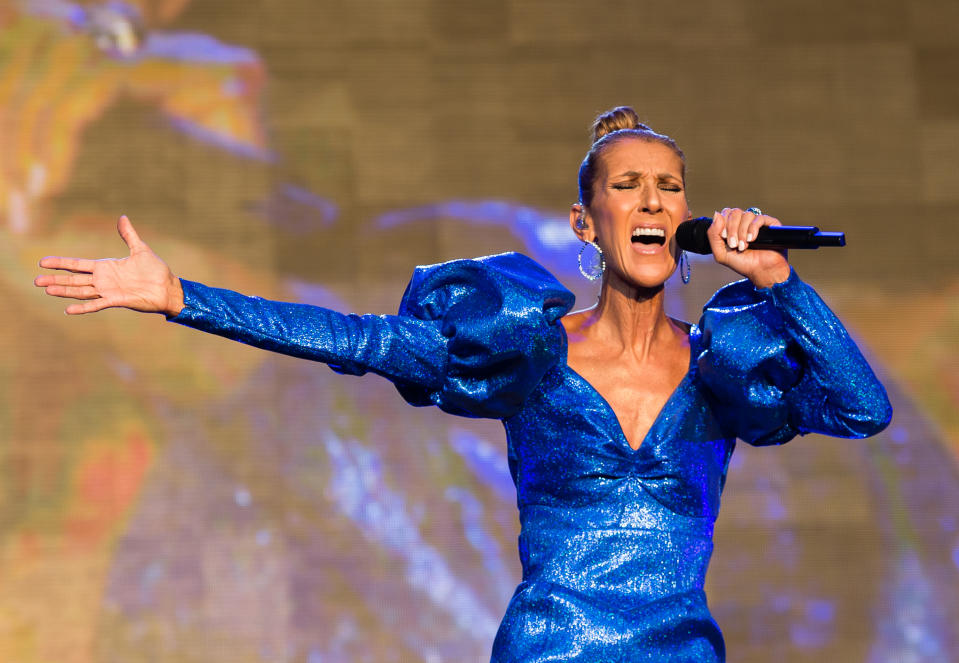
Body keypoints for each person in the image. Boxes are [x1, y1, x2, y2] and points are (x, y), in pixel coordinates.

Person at [34, 106, 891, 662]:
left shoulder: (718, 369)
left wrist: (780, 280)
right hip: (549, 649)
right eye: (626, 186)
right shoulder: (524, 348)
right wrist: (180, 297)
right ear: (584, 223)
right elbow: (356, 337)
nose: (654, 201)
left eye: (669, 187)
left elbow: (864, 407)